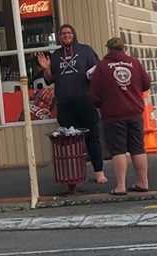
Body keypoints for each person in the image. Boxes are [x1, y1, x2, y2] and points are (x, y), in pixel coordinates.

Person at [36, 24, 107, 184]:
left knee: (92, 138)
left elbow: (97, 71)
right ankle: (74, 175)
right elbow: (49, 79)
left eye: (69, 33)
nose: (66, 35)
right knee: (70, 142)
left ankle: (99, 173)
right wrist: (46, 69)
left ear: (74, 35)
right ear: (59, 37)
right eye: (63, 33)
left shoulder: (86, 50)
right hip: (65, 104)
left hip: (85, 102)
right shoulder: (55, 55)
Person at [89, 36, 152, 196]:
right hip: (135, 112)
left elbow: (94, 93)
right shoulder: (134, 63)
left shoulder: (102, 67)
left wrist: (101, 104)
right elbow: (146, 83)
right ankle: (143, 182)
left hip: (114, 114)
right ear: (123, 48)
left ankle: (120, 186)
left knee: (118, 150)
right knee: (138, 149)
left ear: (108, 49)